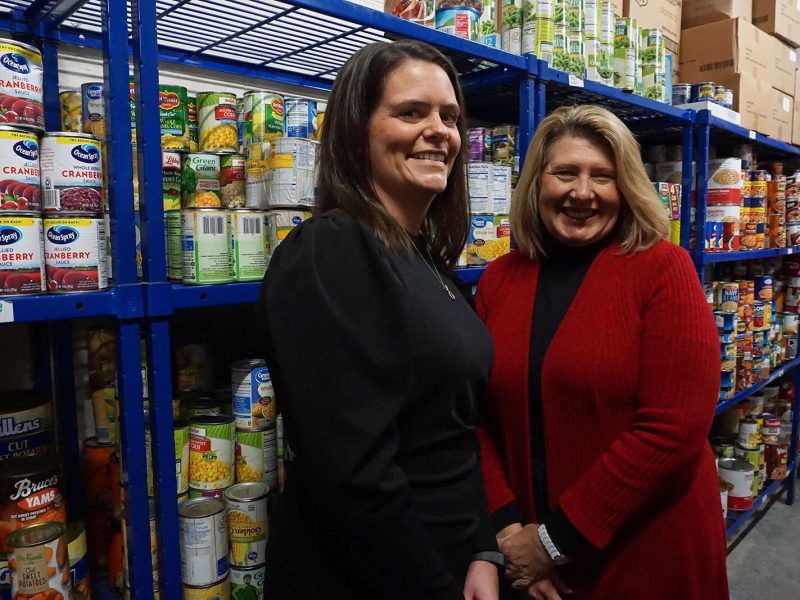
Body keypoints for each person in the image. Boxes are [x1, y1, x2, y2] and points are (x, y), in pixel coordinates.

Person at [256, 39, 502, 600]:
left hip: (453, 562)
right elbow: (354, 479)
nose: (438, 130)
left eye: (449, 116)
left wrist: (483, 551)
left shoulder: (427, 261)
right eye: (410, 112)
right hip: (377, 580)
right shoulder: (333, 250)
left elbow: (454, 434)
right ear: (356, 129)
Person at [475, 105, 729, 599]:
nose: (582, 192)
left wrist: (552, 540)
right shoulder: (498, 280)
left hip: (648, 555)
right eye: (565, 172)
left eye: (603, 176)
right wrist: (508, 528)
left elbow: (674, 428)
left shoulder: (663, 269)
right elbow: (474, 416)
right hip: (530, 566)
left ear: (627, 187)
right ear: (536, 183)